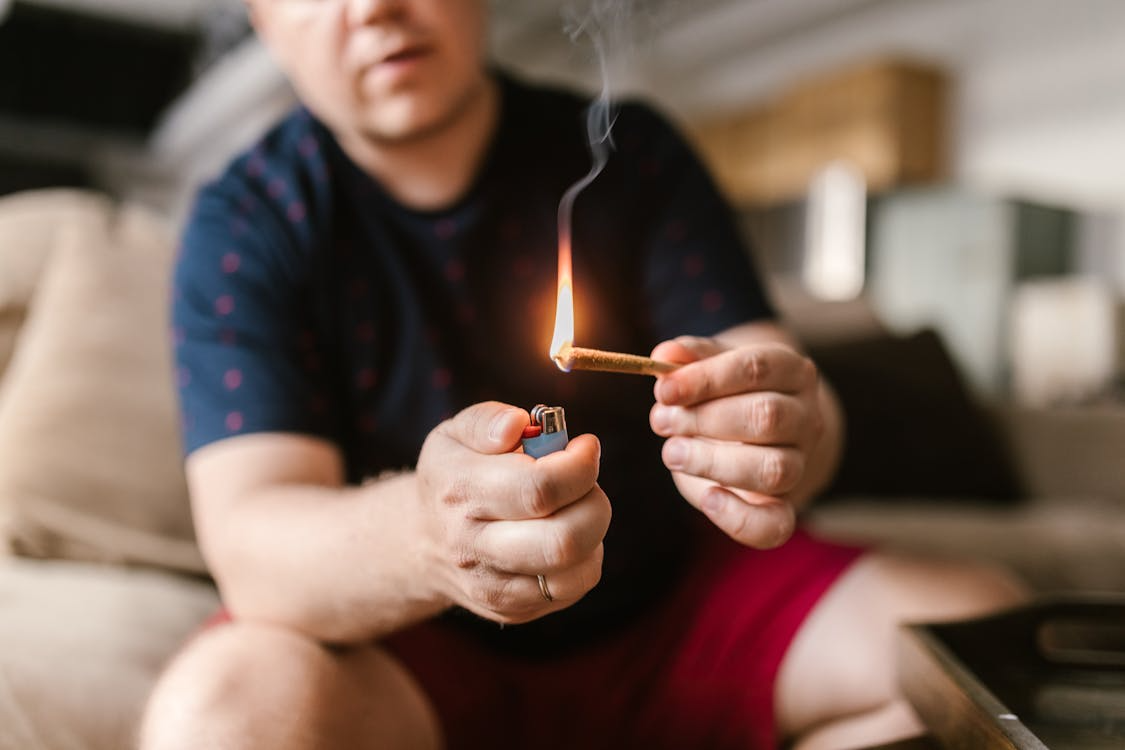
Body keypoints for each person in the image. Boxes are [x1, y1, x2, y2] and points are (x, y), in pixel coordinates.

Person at [142, 1, 1026, 748]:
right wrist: (427, 535)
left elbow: (785, 403)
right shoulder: (247, 222)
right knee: (219, 719)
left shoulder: (631, 155)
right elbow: (254, 546)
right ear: (262, 17)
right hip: (408, 649)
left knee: (983, 647)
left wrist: (784, 431)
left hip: (679, 614)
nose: (374, 6)